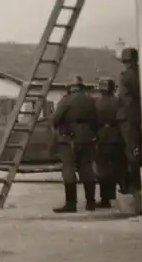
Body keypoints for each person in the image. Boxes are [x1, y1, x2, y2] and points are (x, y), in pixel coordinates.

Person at [52, 75, 98, 213]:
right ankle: (91, 203)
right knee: (87, 168)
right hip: (87, 136)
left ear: (70, 87)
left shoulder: (66, 100)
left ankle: (71, 204)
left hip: (70, 137)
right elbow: (96, 119)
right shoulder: (91, 100)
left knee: (68, 169)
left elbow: (55, 118)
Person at [116, 48, 142, 195]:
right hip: (130, 116)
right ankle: (133, 184)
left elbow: (133, 95)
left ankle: (135, 185)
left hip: (129, 117)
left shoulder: (129, 75)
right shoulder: (135, 73)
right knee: (132, 150)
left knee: (132, 151)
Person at [95, 78, 124, 208]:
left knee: (103, 170)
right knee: (118, 168)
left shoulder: (97, 103)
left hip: (102, 138)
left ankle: (105, 198)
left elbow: (93, 120)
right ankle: (120, 194)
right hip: (117, 137)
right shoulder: (118, 102)